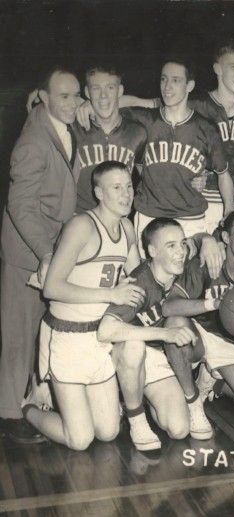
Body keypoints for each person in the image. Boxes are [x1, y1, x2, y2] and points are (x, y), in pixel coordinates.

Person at [23, 161, 142, 450]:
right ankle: (28, 405)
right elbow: (52, 288)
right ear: (99, 193)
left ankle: (58, 392)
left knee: (109, 431)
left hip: (97, 338)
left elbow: (140, 280)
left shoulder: (127, 229)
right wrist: (111, 295)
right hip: (66, 337)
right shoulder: (81, 226)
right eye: (116, 188)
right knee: (80, 439)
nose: (126, 194)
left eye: (128, 187)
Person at [78, 59, 234, 253]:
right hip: (149, 216)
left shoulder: (206, 128)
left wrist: (229, 210)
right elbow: (113, 102)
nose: (167, 87)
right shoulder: (145, 119)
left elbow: (223, 174)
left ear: (190, 86)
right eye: (163, 79)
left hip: (190, 218)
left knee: (188, 279)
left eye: (176, 80)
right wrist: (87, 103)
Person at [0, 67, 81, 444]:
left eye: (75, 95)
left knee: (37, 335)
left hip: (48, 251)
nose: (72, 102)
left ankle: (29, 403)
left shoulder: (60, 128)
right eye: (63, 96)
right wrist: (48, 253)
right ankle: (9, 415)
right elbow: (20, 206)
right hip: (27, 253)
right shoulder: (32, 141)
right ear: (44, 97)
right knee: (18, 335)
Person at [98, 218, 209, 451]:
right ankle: (136, 417)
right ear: (152, 251)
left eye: (182, 244)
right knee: (134, 345)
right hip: (131, 355)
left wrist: (207, 240)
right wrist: (165, 334)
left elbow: (198, 241)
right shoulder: (139, 282)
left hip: (160, 355)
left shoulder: (181, 259)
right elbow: (105, 330)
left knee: (179, 429)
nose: (180, 251)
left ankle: (146, 396)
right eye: (171, 246)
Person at [161, 209, 234, 419]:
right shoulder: (207, 262)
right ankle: (192, 398)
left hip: (230, 343)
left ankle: (216, 382)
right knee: (174, 323)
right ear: (226, 237)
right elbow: (168, 307)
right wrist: (214, 303)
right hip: (198, 331)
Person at [73, 65, 147, 213]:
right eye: (96, 88)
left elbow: (147, 173)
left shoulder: (137, 132)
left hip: (118, 219)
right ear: (87, 92)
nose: (103, 96)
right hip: (79, 217)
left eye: (110, 88)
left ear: (120, 91)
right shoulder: (73, 130)